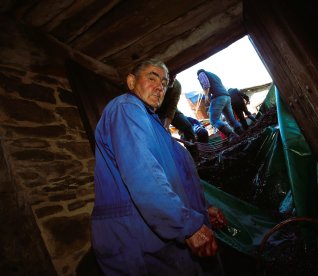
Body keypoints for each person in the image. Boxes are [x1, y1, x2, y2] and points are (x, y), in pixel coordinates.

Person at [91, 59, 227, 275]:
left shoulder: (156, 127)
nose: (160, 87)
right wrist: (187, 225)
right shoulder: (126, 108)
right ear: (131, 81)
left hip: (163, 242)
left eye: (164, 83)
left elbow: (178, 180)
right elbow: (144, 174)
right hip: (138, 242)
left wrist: (203, 208)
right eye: (152, 78)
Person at [197, 69, 243, 143]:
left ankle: (232, 136)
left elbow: (206, 84)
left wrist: (206, 96)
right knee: (231, 120)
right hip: (226, 97)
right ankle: (241, 133)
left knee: (214, 120)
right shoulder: (214, 75)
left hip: (218, 97)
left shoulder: (201, 73)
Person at [156, 75, 196, 143]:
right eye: (170, 75)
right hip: (156, 111)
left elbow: (172, 107)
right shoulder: (155, 84)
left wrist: (166, 125)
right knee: (166, 135)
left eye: (174, 76)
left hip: (170, 109)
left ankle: (193, 152)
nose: (172, 79)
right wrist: (165, 128)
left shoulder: (177, 85)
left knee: (187, 127)